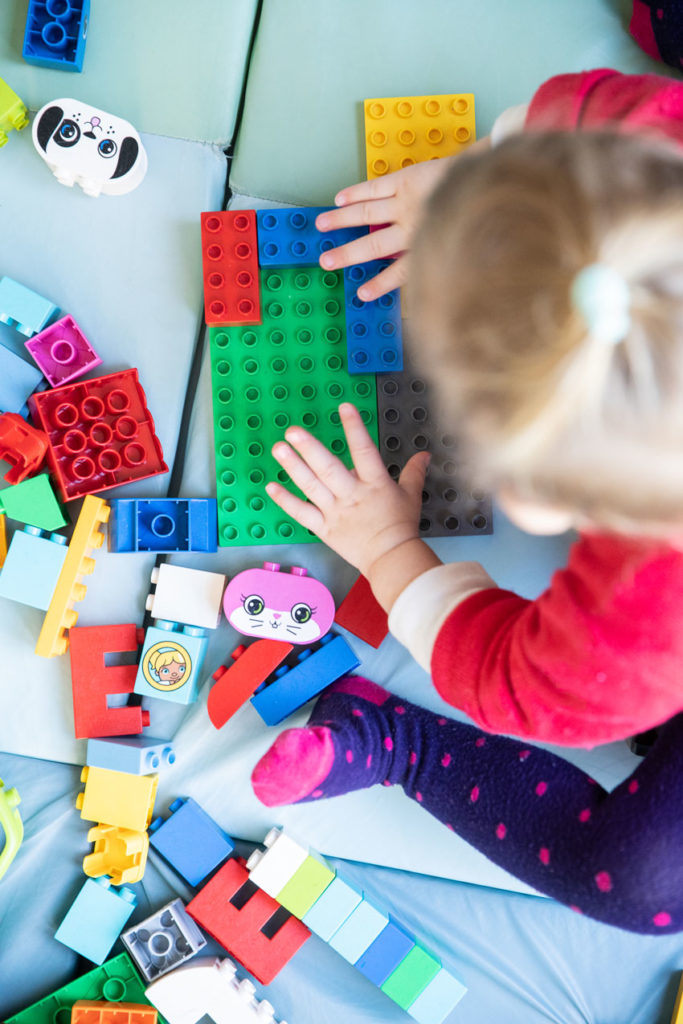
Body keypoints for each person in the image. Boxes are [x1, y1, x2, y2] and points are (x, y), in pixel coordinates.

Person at [250, 71, 683, 934]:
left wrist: (388, 552)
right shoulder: (649, 144)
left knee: (641, 882)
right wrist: (476, 185)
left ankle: (397, 748)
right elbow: (598, 114)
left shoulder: (633, 634)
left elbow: (505, 673)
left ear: (528, 499)